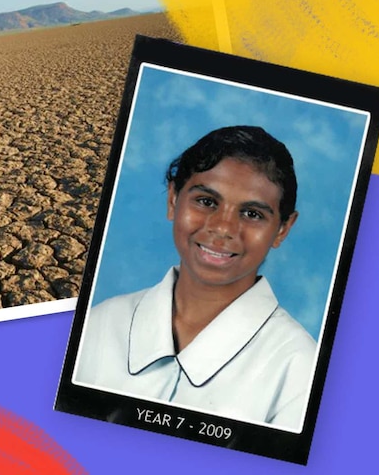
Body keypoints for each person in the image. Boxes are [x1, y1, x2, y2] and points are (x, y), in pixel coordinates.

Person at [74, 126, 315, 431]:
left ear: (282, 228)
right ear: (174, 199)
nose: (223, 227)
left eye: (252, 214)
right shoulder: (99, 325)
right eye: (206, 201)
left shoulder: (299, 369)